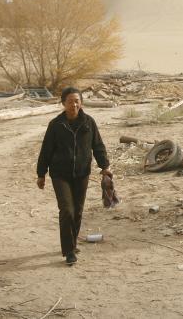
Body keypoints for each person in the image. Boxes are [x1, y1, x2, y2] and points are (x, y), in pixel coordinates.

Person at [36, 87, 111, 265]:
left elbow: (98, 146)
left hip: (82, 173)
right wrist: (41, 174)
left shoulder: (89, 123)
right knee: (67, 210)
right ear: (63, 103)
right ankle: (69, 251)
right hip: (60, 174)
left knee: (77, 210)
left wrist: (104, 166)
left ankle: (73, 242)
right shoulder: (56, 125)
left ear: (81, 103)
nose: (74, 104)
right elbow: (46, 150)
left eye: (77, 101)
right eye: (70, 101)